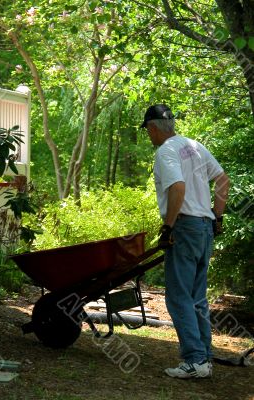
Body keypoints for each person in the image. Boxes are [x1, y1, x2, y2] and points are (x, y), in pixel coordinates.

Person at [141, 104, 229, 379]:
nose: (149, 136)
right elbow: (223, 180)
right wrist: (217, 217)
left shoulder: (165, 151)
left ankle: (194, 360)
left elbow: (178, 187)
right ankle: (204, 357)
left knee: (179, 297)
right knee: (197, 297)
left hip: (186, 226)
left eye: (148, 131)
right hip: (204, 227)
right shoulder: (194, 145)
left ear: (153, 128)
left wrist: (168, 227)